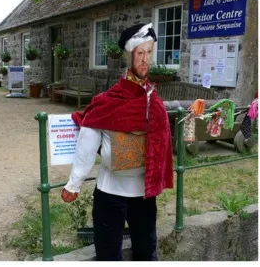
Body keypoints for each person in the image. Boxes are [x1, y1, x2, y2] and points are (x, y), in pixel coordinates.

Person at [60, 23, 174, 261]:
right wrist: (74, 183)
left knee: (146, 250)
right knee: (109, 253)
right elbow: (87, 145)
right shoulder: (107, 102)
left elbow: (162, 139)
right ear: (130, 55)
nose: (145, 60)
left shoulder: (154, 101)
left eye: (149, 53)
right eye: (139, 53)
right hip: (110, 192)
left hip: (144, 193)